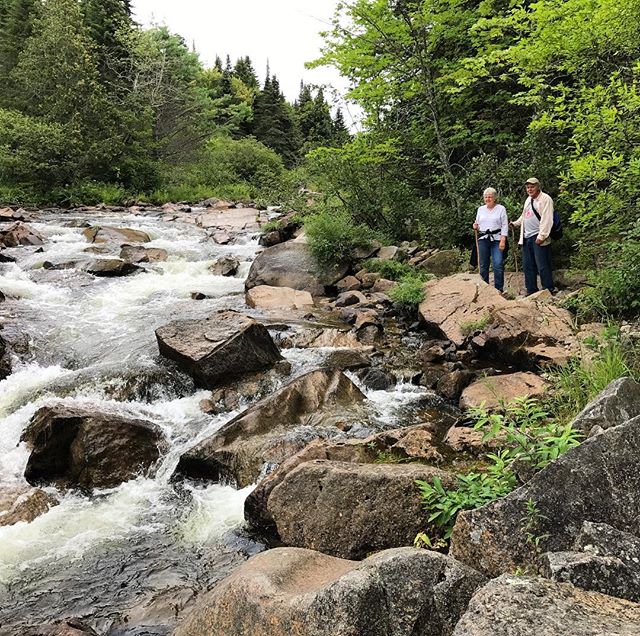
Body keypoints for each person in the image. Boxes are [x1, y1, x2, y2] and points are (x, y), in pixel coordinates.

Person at [511, 177, 555, 295]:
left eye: (532, 187)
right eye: (528, 187)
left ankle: (548, 289)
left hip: (538, 236)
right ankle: (531, 290)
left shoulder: (545, 199)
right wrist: (515, 224)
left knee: (542, 264)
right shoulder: (528, 200)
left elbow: (547, 218)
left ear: (538, 187)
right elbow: (524, 216)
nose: (530, 189)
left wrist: (542, 236)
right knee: (528, 265)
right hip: (526, 236)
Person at [473, 187, 508, 292]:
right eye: (486, 197)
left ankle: (499, 289)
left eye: (490, 197)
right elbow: (478, 224)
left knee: (498, 263)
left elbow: (504, 225)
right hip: (483, 239)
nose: (487, 199)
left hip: (497, 239)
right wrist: (475, 226)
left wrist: (503, 240)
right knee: (483, 264)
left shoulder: (501, 208)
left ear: (494, 198)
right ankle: (485, 289)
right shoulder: (480, 209)